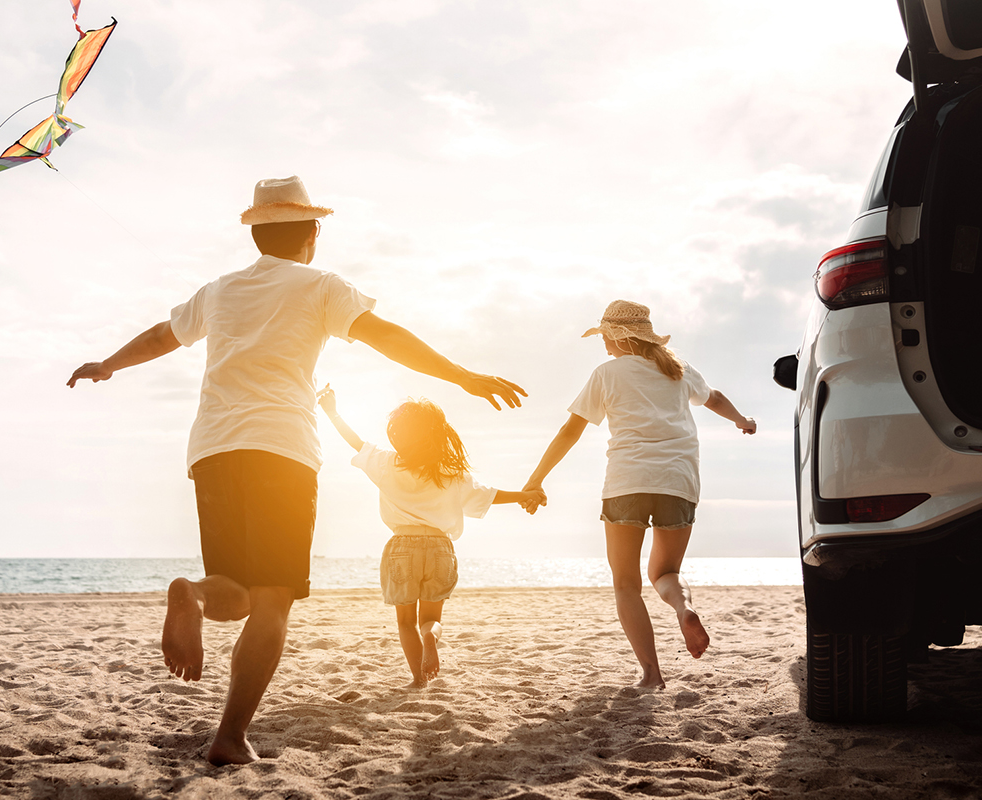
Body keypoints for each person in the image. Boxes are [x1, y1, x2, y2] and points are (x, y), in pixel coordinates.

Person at [66, 176, 525, 765]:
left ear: (257, 234)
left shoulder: (219, 290)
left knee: (233, 591)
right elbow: (386, 338)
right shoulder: (323, 286)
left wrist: (108, 364)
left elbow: (163, 335)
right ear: (312, 233)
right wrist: (463, 376)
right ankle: (229, 737)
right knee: (273, 599)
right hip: (281, 450)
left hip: (212, 449)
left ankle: (195, 597)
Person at [521, 300, 755, 689]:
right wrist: (741, 420)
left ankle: (651, 673)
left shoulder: (607, 373)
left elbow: (570, 431)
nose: (603, 346)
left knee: (626, 584)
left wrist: (536, 479)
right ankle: (684, 607)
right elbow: (713, 397)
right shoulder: (678, 369)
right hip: (678, 483)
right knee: (665, 573)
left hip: (626, 483)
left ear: (616, 337)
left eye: (605, 338)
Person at [316, 385, 545, 687]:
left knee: (404, 621)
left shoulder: (386, 463)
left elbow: (355, 442)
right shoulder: (450, 472)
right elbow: (489, 495)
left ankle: (418, 680)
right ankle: (430, 635)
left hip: (402, 547)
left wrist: (332, 411)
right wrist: (524, 495)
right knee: (430, 619)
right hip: (440, 547)